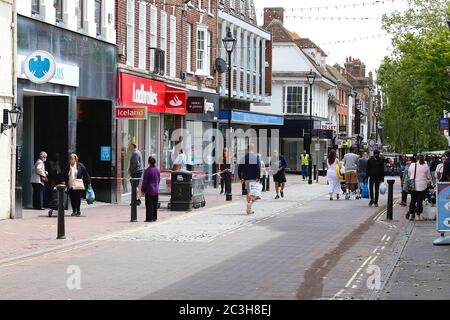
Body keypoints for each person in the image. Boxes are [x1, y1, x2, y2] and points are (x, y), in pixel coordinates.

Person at [406, 154, 432, 221]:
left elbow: (409, 174)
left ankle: (411, 215)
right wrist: (429, 181)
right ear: (424, 159)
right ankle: (418, 215)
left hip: (413, 185)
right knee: (420, 201)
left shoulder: (412, 165)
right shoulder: (426, 166)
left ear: (416, 158)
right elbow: (428, 176)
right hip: (422, 185)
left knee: (413, 200)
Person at [237, 144, 261, 215]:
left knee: (248, 192)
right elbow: (258, 167)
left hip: (246, 178)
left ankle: (249, 209)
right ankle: (250, 204)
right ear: (253, 149)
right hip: (254, 178)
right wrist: (258, 176)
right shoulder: (256, 157)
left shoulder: (244, 157)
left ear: (247, 149)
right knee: (255, 194)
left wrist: (241, 178)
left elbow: (239, 169)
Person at [141, 156, 160, 222]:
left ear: (148, 162)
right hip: (156, 190)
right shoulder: (157, 170)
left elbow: (145, 181)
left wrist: (143, 189)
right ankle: (154, 217)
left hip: (149, 190)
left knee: (149, 205)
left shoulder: (147, 170)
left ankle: (149, 218)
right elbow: (158, 180)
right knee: (155, 205)